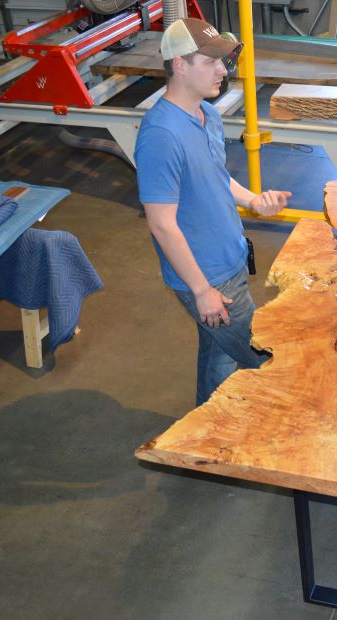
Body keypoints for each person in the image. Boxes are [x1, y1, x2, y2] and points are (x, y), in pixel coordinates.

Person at [135, 18, 291, 406]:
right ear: (180, 65)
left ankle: (206, 432)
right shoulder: (161, 134)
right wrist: (202, 291)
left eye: (224, 61)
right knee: (265, 361)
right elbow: (161, 224)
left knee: (220, 351)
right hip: (208, 277)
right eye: (211, 61)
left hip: (231, 258)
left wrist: (253, 200)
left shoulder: (210, 115)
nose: (224, 70)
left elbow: (216, 178)